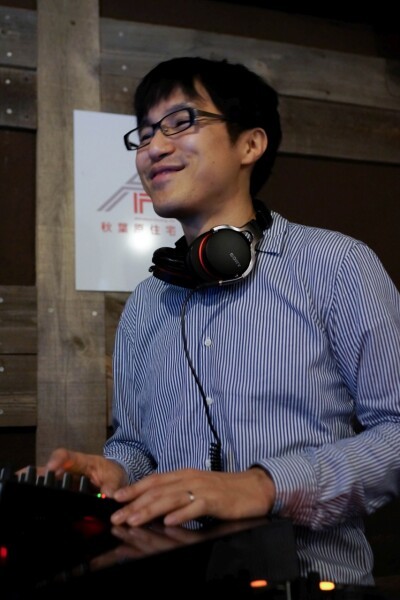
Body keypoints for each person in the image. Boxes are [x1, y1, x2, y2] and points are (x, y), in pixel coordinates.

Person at [38, 56, 400, 587]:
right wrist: (115, 471)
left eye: (180, 122)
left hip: (311, 582)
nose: (154, 148)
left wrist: (265, 486)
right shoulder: (146, 302)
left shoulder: (337, 266)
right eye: (144, 134)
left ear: (250, 144)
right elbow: (136, 446)